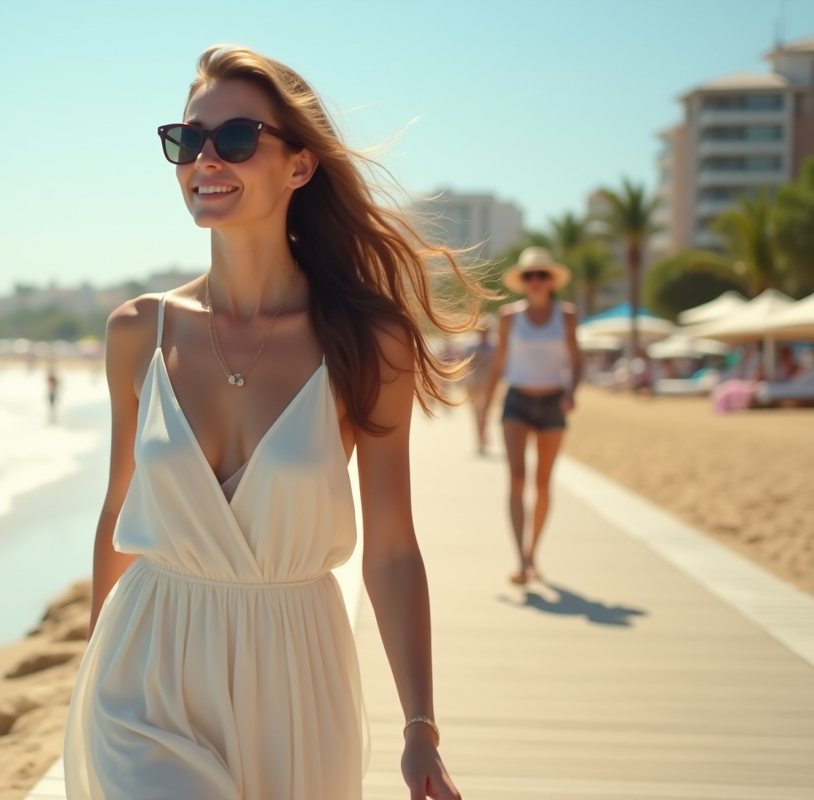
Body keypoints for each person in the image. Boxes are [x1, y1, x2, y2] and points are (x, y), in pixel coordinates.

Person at [61, 46, 470, 800]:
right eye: (188, 140)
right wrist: (91, 660)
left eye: (238, 139)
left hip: (297, 675)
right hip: (145, 670)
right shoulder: (138, 333)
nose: (205, 159)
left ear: (300, 167)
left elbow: (389, 548)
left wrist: (420, 724)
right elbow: (119, 509)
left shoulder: (365, 340)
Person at [482, 247, 583, 585]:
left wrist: (572, 391)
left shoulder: (566, 316)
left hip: (553, 402)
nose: (536, 281)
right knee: (516, 479)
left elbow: (577, 359)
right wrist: (486, 405)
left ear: (551, 281)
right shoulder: (510, 317)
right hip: (517, 403)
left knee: (542, 484)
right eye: (530, 276)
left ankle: (532, 553)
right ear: (523, 282)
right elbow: (498, 363)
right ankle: (519, 561)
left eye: (542, 275)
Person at [460, 315, 496, 454]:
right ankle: (480, 437)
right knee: (477, 411)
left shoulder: (494, 346)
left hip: (488, 383)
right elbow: (466, 365)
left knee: (485, 410)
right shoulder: (471, 346)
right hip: (474, 382)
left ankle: (483, 435)